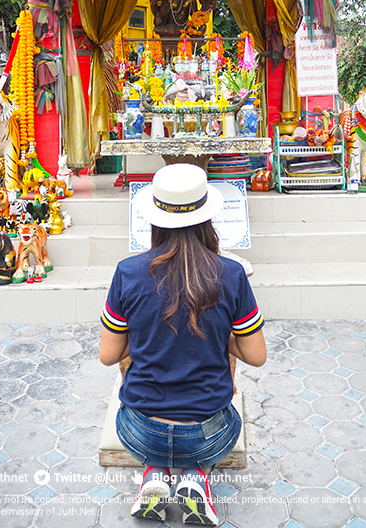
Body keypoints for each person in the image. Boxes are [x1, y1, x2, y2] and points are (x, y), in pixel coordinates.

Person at [100, 163, 266, 526]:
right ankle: (196, 478)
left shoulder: (127, 274)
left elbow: (108, 354)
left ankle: (154, 475)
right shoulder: (232, 275)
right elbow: (256, 355)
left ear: (155, 219)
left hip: (139, 430)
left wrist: (144, 330)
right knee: (216, 425)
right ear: (207, 218)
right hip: (209, 435)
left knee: (149, 429)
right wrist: (222, 334)